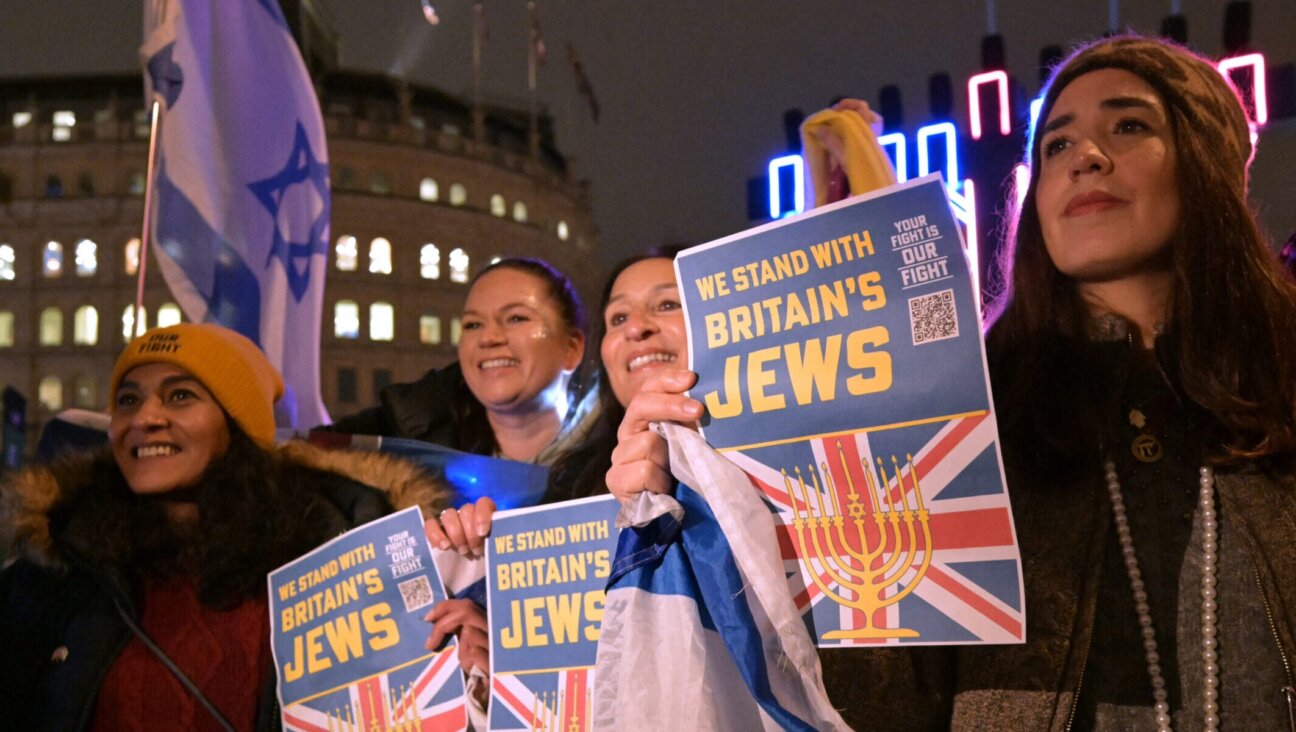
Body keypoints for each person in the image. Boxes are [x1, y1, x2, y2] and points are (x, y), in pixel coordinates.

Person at [607, 35, 1296, 730]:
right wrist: (687, 503)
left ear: (1210, 161)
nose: (1086, 157)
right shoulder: (970, 416)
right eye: (1055, 145)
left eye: (1129, 125)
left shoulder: (1282, 383)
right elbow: (864, 689)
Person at [0, 323, 451, 730]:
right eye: (128, 399)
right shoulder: (55, 565)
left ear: (237, 424)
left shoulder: (338, 546)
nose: (144, 418)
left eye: (180, 396)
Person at [326, 257, 597, 468]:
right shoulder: (395, 441)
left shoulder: (617, 460)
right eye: (473, 324)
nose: (488, 338)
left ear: (571, 348)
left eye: (516, 318)